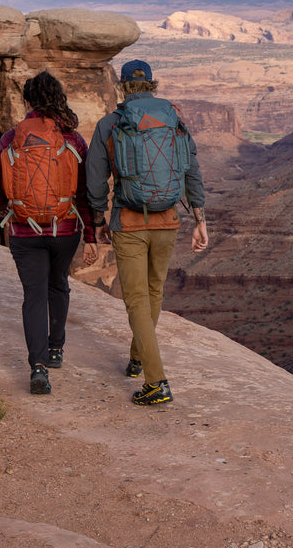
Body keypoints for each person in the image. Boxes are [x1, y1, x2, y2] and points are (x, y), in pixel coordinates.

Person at [86, 59, 208, 406]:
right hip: (168, 219)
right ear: (152, 85)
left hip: (130, 221)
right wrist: (200, 218)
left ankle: (156, 382)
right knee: (154, 292)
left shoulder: (110, 124)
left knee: (137, 298)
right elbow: (191, 170)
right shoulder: (173, 120)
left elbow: (95, 181)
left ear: (123, 86)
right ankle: (138, 358)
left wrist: (97, 223)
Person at [0, 71, 98, 395]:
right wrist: (90, 234)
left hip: (24, 232)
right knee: (59, 284)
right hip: (65, 229)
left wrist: (9, 214)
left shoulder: (11, 139)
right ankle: (56, 349)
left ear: (27, 101)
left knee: (33, 296)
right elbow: (85, 192)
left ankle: (38, 368)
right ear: (58, 99)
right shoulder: (73, 140)